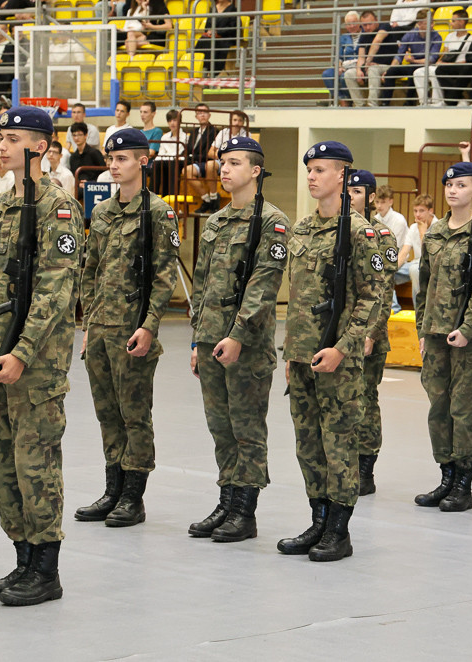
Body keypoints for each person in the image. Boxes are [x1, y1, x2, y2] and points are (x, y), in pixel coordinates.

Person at [0, 107, 83, 606]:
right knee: (2, 464)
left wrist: (22, 351)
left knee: (35, 464)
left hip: (34, 366)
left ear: (39, 147)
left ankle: (46, 569)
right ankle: (21, 561)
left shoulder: (58, 208)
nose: (1, 145)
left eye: (12, 138)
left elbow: (56, 293)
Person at [276, 141, 383, 562]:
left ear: (342, 175)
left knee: (339, 444)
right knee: (308, 445)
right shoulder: (301, 229)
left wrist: (343, 348)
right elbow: (299, 298)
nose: (312, 176)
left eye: (321, 169)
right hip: (302, 355)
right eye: (309, 169)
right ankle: (318, 520)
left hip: (338, 360)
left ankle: (339, 530)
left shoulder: (361, 232)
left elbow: (372, 300)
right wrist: (290, 351)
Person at [76, 129, 180, 529]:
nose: (114, 165)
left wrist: (150, 326)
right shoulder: (102, 212)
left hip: (133, 330)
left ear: (143, 161)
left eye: (122, 159)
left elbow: (164, 276)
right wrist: (87, 324)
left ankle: (133, 496)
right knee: (107, 413)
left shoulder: (157, 212)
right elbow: (91, 270)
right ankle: (113, 488)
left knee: (134, 413)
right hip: (100, 329)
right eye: (110, 158)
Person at [187, 136, 287, 542]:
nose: (224, 170)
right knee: (220, 427)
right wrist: (197, 340)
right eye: (222, 162)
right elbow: (202, 283)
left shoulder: (272, 222)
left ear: (256, 171)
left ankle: (245, 510)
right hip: (211, 340)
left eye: (234, 163)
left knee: (246, 427)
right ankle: (227, 499)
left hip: (246, 346)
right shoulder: (216, 220)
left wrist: (237, 335)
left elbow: (264, 287)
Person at [413, 162, 472, 513]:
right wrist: (422, 328)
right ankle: (446, 475)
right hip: (435, 334)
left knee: (464, 409)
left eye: (461, 185)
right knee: (439, 408)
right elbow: (424, 284)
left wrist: (467, 328)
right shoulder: (434, 233)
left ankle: (463, 481)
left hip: (469, 337)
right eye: (449, 184)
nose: (452, 190)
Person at [346, 170, 399, 496]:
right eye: (347, 190)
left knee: (365, 401)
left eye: (356, 191)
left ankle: (365, 469)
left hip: (368, 336)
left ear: (369, 196)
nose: (350, 196)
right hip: (339, 335)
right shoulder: (336, 229)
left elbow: (383, 291)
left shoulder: (381, 235)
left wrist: (371, 333)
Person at [344, 11, 403, 107]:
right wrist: (359, 70)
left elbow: (377, 41)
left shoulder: (385, 27)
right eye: (364, 25)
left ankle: (372, 104)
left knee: (372, 69)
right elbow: (361, 56)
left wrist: (368, 62)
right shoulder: (364, 35)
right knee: (349, 74)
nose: (367, 27)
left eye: (369, 24)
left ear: (376, 20)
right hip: (370, 66)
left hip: (387, 66)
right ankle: (360, 105)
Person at [383, 9, 442, 105]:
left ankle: (409, 103)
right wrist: (390, 68)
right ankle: (385, 103)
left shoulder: (436, 37)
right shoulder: (410, 34)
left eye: (431, 22)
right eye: (426, 23)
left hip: (425, 66)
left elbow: (431, 60)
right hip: (413, 63)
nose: (431, 25)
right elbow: (399, 55)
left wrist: (413, 60)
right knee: (391, 72)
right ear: (419, 23)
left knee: (413, 72)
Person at [416, 9, 472, 107]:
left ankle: (437, 101)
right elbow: (444, 54)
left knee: (437, 72)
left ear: (462, 21)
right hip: (445, 64)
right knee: (418, 72)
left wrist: (447, 64)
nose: (451, 23)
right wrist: (439, 61)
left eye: (453, 21)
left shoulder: (470, 39)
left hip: (458, 66)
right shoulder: (450, 36)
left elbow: (467, 61)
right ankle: (424, 101)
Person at [183, 104, 219, 213]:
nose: (202, 115)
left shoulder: (214, 131)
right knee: (185, 171)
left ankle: (214, 199)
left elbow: (208, 152)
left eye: (204, 112)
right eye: (199, 113)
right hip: (194, 162)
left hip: (206, 162)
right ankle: (206, 200)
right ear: (196, 116)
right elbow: (189, 149)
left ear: (209, 115)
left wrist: (192, 157)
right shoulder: (194, 132)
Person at [322, 11, 361, 106]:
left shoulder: (366, 35)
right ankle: (342, 99)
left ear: (359, 22)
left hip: (358, 66)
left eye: (354, 23)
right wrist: (339, 67)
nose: (351, 26)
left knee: (344, 77)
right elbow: (338, 56)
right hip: (345, 65)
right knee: (327, 74)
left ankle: (348, 100)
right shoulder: (343, 37)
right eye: (348, 24)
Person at [194, 0, 240, 77]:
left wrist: (218, 32)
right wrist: (209, 31)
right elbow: (207, 25)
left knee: (212, 42)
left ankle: (212, 71)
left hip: (225, 38)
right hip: (212, 36)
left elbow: (233, 28)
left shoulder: (233, 10)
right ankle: (201, 68)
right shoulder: (213, 9)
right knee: (203, 40)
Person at [153, 110, 187, 196]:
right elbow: (161, 153)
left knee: (172, 164)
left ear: (180, 121)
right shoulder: (165, 137)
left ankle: (172, 196)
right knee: (156, 163)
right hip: (166, 161)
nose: (172, 123)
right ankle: (152, 195)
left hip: (178, 162)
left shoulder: (185, 137)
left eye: (175, 120)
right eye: (170, 121)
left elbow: (182, 154)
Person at [66, 122, 106, 190]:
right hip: (79, 187)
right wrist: (79, 183)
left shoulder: (94, 153)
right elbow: (74, 176)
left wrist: (90, 183)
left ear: (86, 135)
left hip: (95, 186)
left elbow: (104, 172)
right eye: (74, 135)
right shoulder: (73, 157)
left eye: (79, 135)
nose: (76, 138)